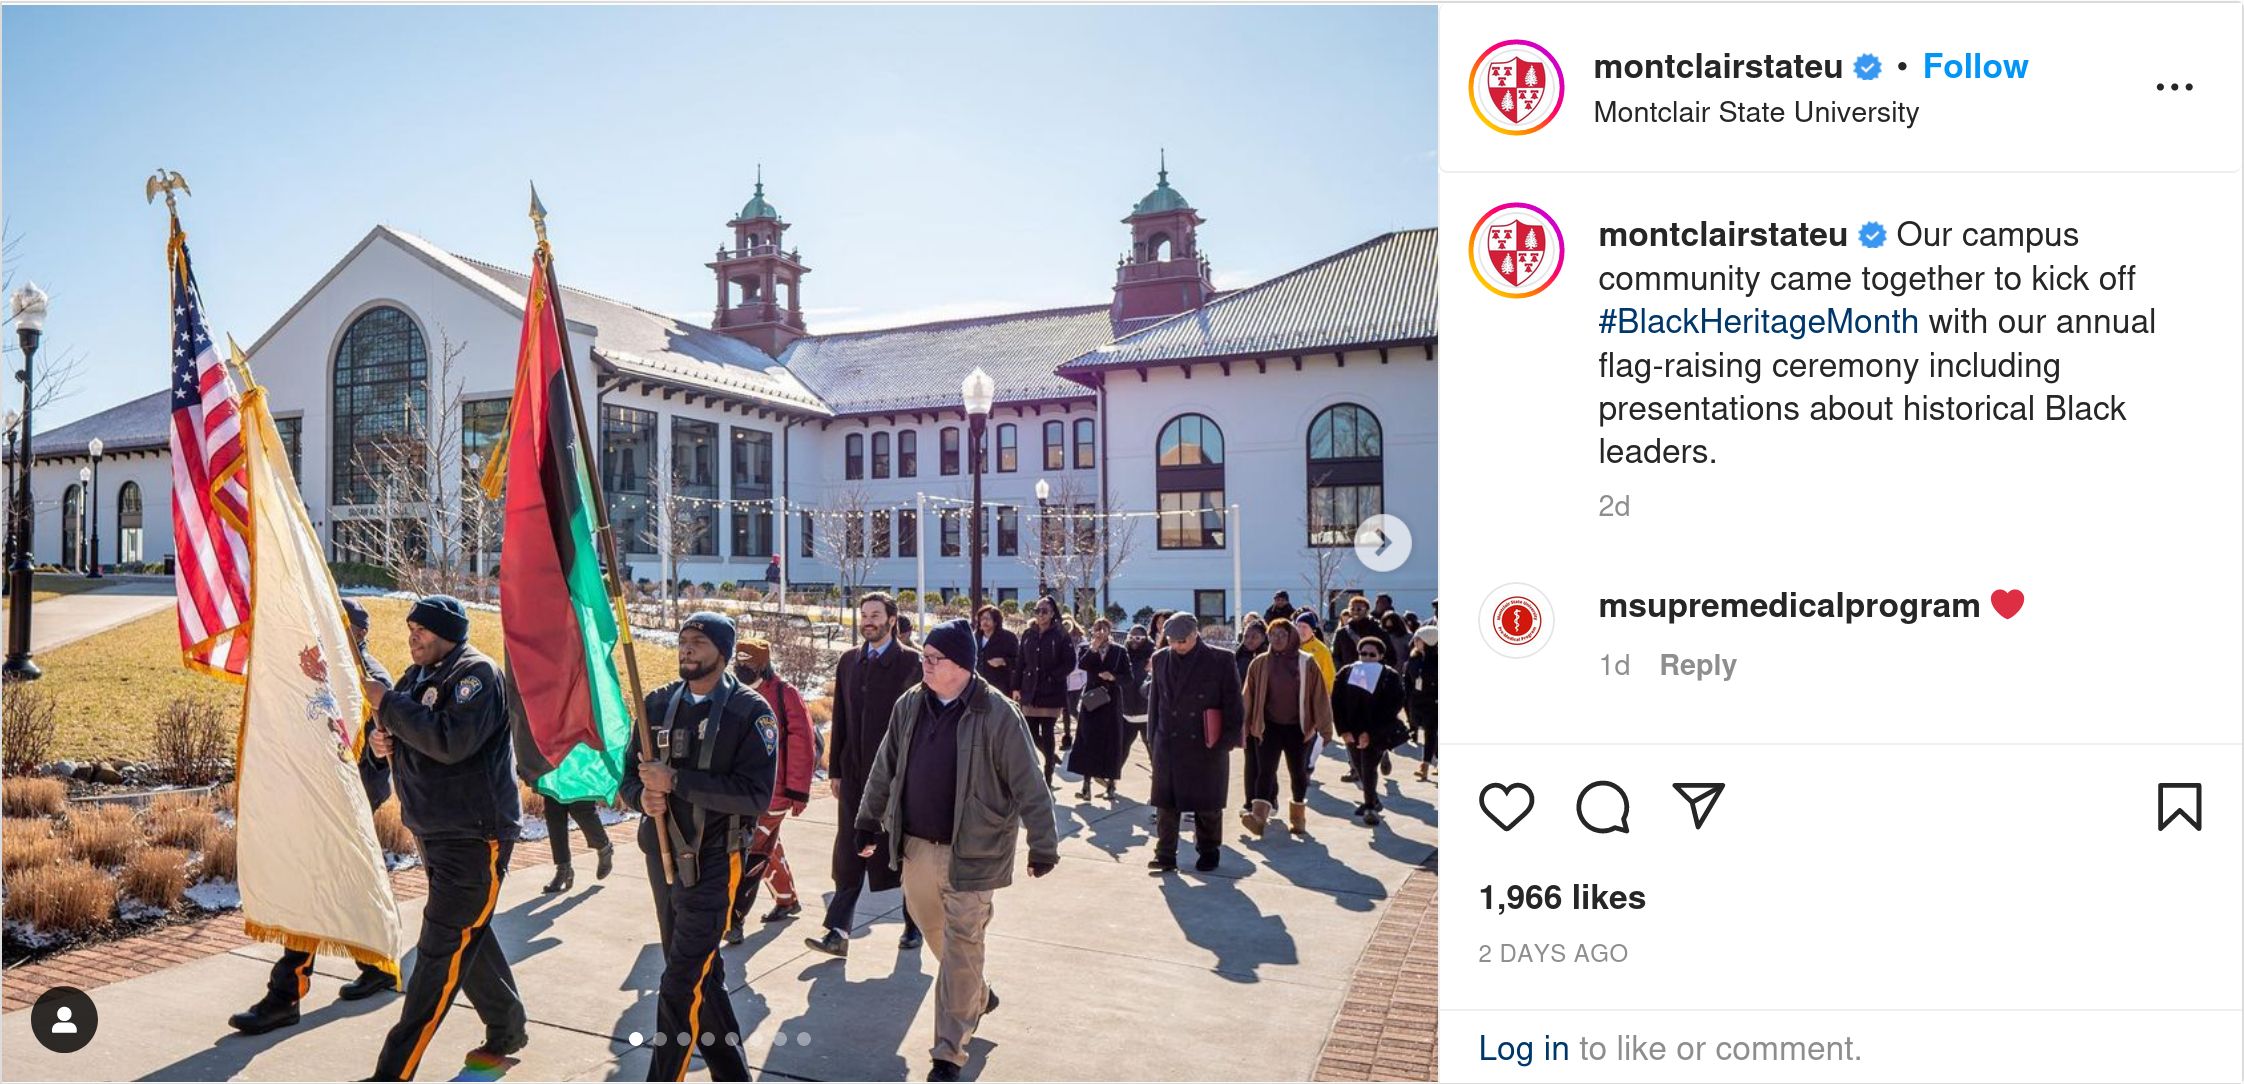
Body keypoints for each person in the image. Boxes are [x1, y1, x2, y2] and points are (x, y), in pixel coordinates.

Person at [853, 618, 1059, 1083]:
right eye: (924, 657)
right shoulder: (910, 704)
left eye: (934, 659)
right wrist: (868, 819)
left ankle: (949, 1052)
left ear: (962, 664)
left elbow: (1029, 783)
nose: (924, 664)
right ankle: (976, 996)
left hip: (974, 851)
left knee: (963, 945)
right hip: (916, 847)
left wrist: (1043, 844)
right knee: (935, 933)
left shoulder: (998, 712)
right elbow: (885, 765)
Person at [362, 595, 527, 1080]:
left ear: (448, 634)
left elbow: (450, 742)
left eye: (423, 629)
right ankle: (507, 1028)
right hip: (432, 829)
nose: (413, 636)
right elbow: (408, 734)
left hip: (473, 836)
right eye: (410, 628)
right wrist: (380, 741)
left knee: (438, 956)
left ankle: (393, 1072)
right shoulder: (416, 677)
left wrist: (388, 705)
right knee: (467, 934)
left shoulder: (476, 675)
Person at [618, 612, 777, 1082]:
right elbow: (628, 777)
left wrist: (677, 782)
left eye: (699, 642)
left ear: (722, 653)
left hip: (715, 859)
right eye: (683, 640)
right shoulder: (656, 704)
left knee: (680, 982)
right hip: (662, 855)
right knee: (699, 974)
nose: (687, 648)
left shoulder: (749, 713)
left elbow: (755, 795)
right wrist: (641, 797)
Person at [228, 598, 398, 1036]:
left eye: (336, 626)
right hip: (318, 794)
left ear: (358, 633)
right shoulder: (321, 670)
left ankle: (285, 995)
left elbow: (377, 749)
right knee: (344, 880)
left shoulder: (369, 678)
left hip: (350, 797)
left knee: (313, 881)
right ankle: (377, 963)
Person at [807, 592, 924, 958]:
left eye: (876, 615)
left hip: (897, 778)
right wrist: (836, 770)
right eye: (865, 615)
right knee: (850, 850)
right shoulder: (849, 661)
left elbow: (920, 725)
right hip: (855, 776)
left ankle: (914, 924)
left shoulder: (912, 663)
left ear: (892, 620)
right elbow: (839, 718)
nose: (869, 621)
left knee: (900, 850)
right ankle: (838, 931)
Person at [727, 634, 816, 942]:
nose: (741, 669)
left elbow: (803, 742)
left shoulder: (784, 694)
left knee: (753, 850)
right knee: (767, 846)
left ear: (763, 665)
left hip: (774, 793)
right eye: (738, 663)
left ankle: (735, 918)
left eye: (748, 665)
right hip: (741, 791)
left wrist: (798, 791)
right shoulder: (733, 691)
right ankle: (787, 899)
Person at [1145, 614, 1245, 873]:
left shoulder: (1220, 660)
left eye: (1182, 641)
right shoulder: (1160, 659)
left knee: (1207, 803)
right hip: (1168, 740)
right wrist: (1153, 738)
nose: (1176, 646)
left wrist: (1227, 740)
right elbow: (1155, 703)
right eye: (1171, 640)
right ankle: (1165, 853)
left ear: (1195, 635)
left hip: (1206, 742)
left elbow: (1234, 703)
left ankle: (1209, 850)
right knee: (1166, 802)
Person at [1240, 618, 1333, 838]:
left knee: (1297, 772)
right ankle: (1258, 817)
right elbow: (1248, 696)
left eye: (1283, 634)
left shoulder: (1307, 663)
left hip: (1297, 728)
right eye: (1273, 634)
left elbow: (1319, 696)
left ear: (1292, 637)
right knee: (1265, 771)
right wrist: (1244, 726)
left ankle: (1298, 818)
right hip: (1268, 726)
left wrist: (1325, 727)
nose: (1277, 639)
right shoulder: (1260, 663)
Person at [1331, 636, 1406, 827]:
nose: (1367, 658)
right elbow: (1336, 702)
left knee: (1369, 765)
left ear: (1380, 656)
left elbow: (1393, 706)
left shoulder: (1389, 676)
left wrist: (1370, 733)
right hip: (1352, 730)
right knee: (1358, 765)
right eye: (1363, 653)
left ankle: (1370, 807)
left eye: (1372, 655)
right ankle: (1373, 799)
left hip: (1377, 730)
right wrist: (1343, 730)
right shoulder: (1347, 672)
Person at [1065, 618, 1130, 801]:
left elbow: (1128, 677)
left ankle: (1111, 785)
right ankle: (1086, 786)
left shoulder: (1119, 651)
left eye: (1104, 629)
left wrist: (1113, 677)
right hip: (1092, 700)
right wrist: (1093, 648)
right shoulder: (1087, 649)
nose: (1100, 632)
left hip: (1111, 700)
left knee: (1111, 742)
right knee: (1087, 740)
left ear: (1110, 631)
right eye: (1097, 628)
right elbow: (1082, 665)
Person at [1013, 596, 1072, 789]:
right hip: (1030, 690)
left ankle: (1048, 775)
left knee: (1047, 734)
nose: (1040, 615)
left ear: (1053, 613)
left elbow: (1069, 663)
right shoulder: (1028, 634)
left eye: (1044, 611)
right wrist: (1016, 687)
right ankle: (1048, 759)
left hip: (1051, 692)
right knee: (1029, 733)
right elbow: (1020, 662)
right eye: (1037, 610)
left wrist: (1053, 676)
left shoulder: (1061, 634)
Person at [1406, 625, 1439, 781]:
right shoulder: (1414, 657)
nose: (1415, 642)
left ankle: (1424, 765)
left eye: (1418, 639)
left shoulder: (1437, 660)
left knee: (1430, 732)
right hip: (1417, 700)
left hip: (1434, 701)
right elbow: (1408, 679)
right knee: (1428, 731)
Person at [1120, 623, 1154, 762]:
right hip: (1127, 713)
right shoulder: (1123, 655)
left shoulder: (1153, 655)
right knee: (1121, 751)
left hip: (1147, 715)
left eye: (1138, 638)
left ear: (1145, 638)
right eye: (1131, 637)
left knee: (1154, 752)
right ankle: (1112, 775)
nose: (1134, 641)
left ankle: (1160, 773)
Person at [971, 604, 1018, 702]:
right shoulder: (974, 637)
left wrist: (1003, 661)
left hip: (1000, 689)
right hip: (977, 688)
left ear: (996, 621)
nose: (984, 622)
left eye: (988, 619)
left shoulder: (1008, 638)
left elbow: (1019, 661)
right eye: (982, 619)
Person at [1331, 595, 1379, 664]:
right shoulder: (1342, 633)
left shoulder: (1376, 630)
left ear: (1367, 611)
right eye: (1352, 609)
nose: (1355, 611)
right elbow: (1335, 657)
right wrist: (1345, 669)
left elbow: (1388, 655)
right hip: (1349, 670)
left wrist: (1377, 668)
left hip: (1372, 669)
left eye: (1359, 609)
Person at [1380, 611, 1413, 678]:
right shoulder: (1382, 636)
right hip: (1385, 669)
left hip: (1402, 670)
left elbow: (1412, 654)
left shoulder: (1407, 637)